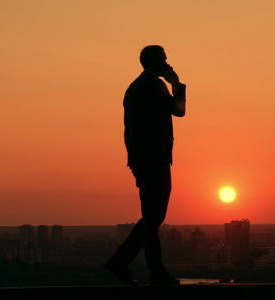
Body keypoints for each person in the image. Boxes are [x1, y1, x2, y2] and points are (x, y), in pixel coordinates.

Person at [105, 45, 186, 285]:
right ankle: (121, 261)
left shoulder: (134, 87)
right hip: (154, 160)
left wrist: (134, 161)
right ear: (155, 62)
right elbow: (178, 111)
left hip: (143, 160)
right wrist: (176, 82)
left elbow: (129, 130)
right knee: (154, 217)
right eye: (164, 59)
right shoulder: (153, 85)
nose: (168, 63)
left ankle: (156, 271)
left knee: (151, 218)